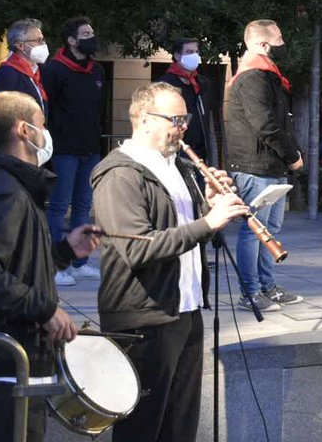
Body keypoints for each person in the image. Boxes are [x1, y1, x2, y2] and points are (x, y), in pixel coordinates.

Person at [91, 82, 249, 442]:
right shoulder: (120, 174)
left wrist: (210, 206)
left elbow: (186, 233)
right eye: (175, 119)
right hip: (142, 319)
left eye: (185, 118)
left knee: (180, 427)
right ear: (144, 118)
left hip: (185, 310)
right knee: (142, 429)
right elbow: (137, 247)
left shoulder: (177, 167)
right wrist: (207, 222)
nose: (183, 127)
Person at [0, 91, 99, 442]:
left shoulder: (10, 186)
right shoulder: (5, 191)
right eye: (42, 125)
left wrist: (64, 253)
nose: (46, 134)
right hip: (0, 371)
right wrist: (45, 309)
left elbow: (16, 265)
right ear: (24, 130)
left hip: (9, 367)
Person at [225, 19, 305, 311]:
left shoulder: (265, 75)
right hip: (254, 165)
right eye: (279, 40)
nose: (283, 44)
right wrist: (292, 155)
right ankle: (251, 292)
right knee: (254, 231)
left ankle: (267, 286)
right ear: (262, 44)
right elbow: (266, 124)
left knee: (268, 229)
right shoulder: (253, 77)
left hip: (268, 164)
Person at [41, 16, 105, 286]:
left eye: (92, 32)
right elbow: (46, 109)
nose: (92, 37)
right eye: (86, 34)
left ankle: (80, 262)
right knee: (58, 207)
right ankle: (56, 265)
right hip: (64, 151)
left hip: (90, 149)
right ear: (71, 40)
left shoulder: (97, 71)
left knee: (83, 207)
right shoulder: (54, 70)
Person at [159, 37, 218, 167]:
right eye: (189, 52)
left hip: (201, 151)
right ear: (177, 55)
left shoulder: (202, 83)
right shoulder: (165, 84)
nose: (195, 55)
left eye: (196, 52)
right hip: (177, 151)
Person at [0, 18, 49, 112]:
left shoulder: (39, 72)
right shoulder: (6, 75)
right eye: (38, 40)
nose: (43, 44)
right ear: (20, 46)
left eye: (43, 39)